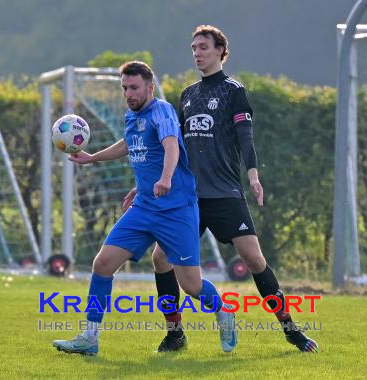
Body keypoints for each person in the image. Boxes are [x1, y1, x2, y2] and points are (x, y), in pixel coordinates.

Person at [123, 26, 319, 353]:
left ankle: (291, 329)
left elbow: (245, 138)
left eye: (203, 47)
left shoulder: (233, 91)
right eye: (194, 47)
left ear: (220, 51)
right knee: (161, 259)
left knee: (254, 259)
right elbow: (172, 146)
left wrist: (253, 175)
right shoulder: (187, 95)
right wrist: (142, 183)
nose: (197, 52)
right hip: (188, 198)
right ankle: (175, 334)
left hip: (225, 193)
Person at [52, 61, 237, 356]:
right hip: (144, 208)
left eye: (134, 87)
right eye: (124, 88)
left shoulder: (161, 111)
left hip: (177, 210)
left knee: (191, 285)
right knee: (103, 264)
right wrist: (92, 158)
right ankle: (89, 338)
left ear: (150, 87)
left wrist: (165, 178)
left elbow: (171, 145)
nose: (128, 93)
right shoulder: (131, 115)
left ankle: (224, 311)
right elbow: (129, 144)